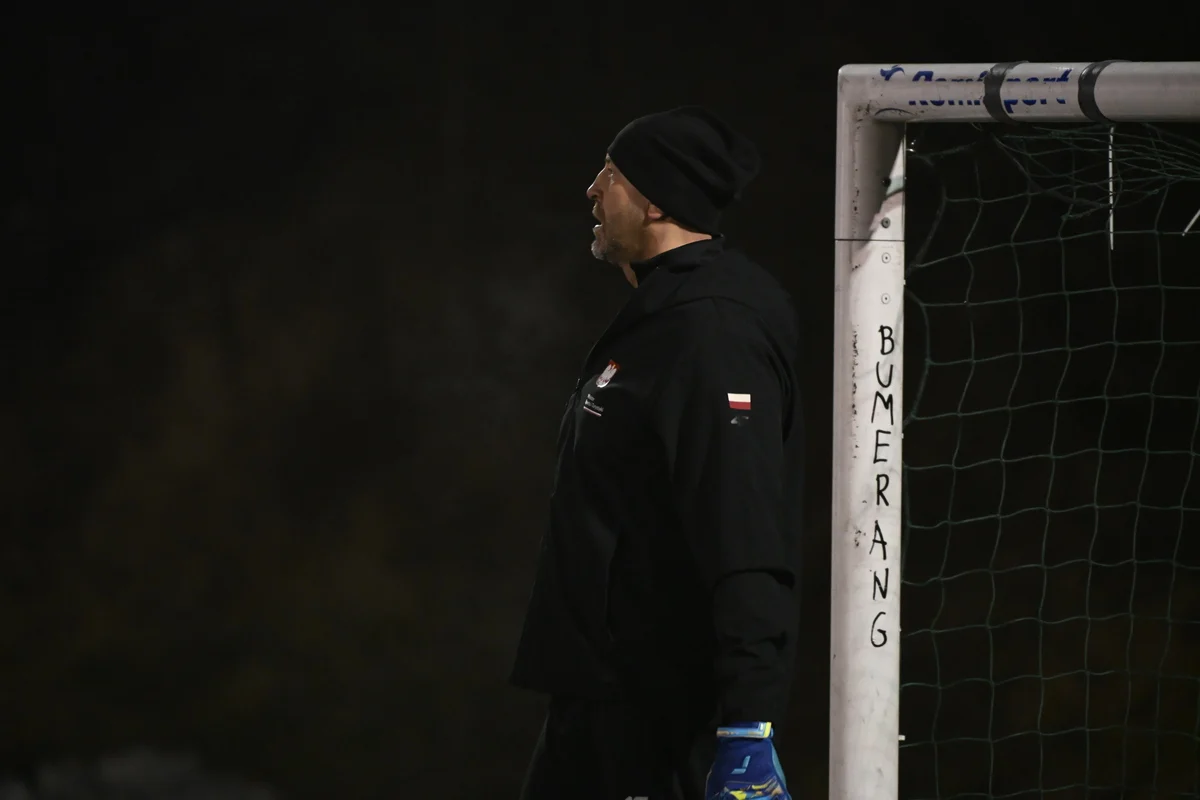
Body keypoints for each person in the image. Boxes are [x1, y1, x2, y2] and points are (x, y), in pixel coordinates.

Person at [510, 106, 805, 800]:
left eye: (610, 174)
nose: (592, 189)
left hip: (662, 720)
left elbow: (743, 531)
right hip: (600, 704)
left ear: (656, 201)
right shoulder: (663, 317)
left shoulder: (712, 332)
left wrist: (748, 724)